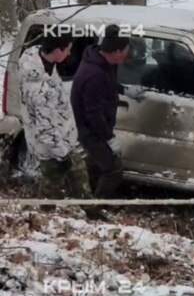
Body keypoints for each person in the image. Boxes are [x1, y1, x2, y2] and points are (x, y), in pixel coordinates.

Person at [17, 28, 101, 219]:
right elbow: (44, 126)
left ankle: (91, 212)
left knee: (79, 174)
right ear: (57, 50)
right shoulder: (37, 86)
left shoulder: (43, 60)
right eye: (68, 49)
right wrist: (62, 154)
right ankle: (45, 219)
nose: (70, 53)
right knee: (52, 183)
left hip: (63, 136)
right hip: (50, 145)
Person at [71, 25, 130, 200]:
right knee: (113, 169)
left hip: (95, 127)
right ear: (116, 51)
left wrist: (124, 90)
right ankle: (95, 208)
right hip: (89, 129)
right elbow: (93, 114)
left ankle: (84, 199)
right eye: (126, 50)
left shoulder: (103, 62)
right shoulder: (94, 74)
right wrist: (109, 138)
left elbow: (108, 84)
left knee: (95, 166)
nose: (128, 54)